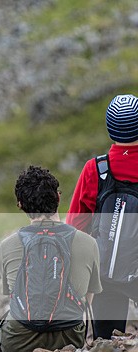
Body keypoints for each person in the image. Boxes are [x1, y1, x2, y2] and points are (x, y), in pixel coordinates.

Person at [0, 166, 101, 352]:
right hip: (69, 339)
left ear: (20, 205)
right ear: (58, 197)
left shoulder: (7, 246)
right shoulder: (89, 243)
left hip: (18, 342)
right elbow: (87, 300)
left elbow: (13, 295)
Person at [67, 94, 138, 339]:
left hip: (106, 274)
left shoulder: (95, 170)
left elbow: (75, 227)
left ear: (110, 129)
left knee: (105, 344)